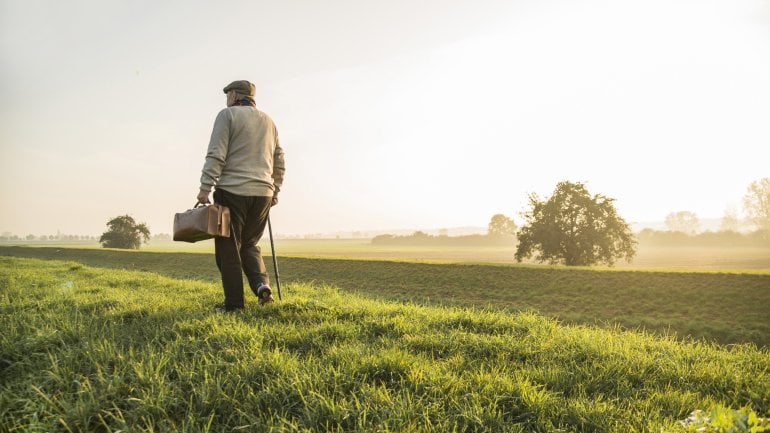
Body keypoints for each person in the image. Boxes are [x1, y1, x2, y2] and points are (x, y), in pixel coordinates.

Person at [197, 80, 285, 311]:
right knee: (250, 244)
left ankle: (234, 305)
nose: (226, 99)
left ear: (235, 95)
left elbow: (217, 153)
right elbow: (279, 160)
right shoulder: (269, 121)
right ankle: (262, 286)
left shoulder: (227, 115)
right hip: (263, 194)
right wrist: (275, 190)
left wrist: (205, 187)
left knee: (229, 248)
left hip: (233, 190)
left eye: (228, 95)